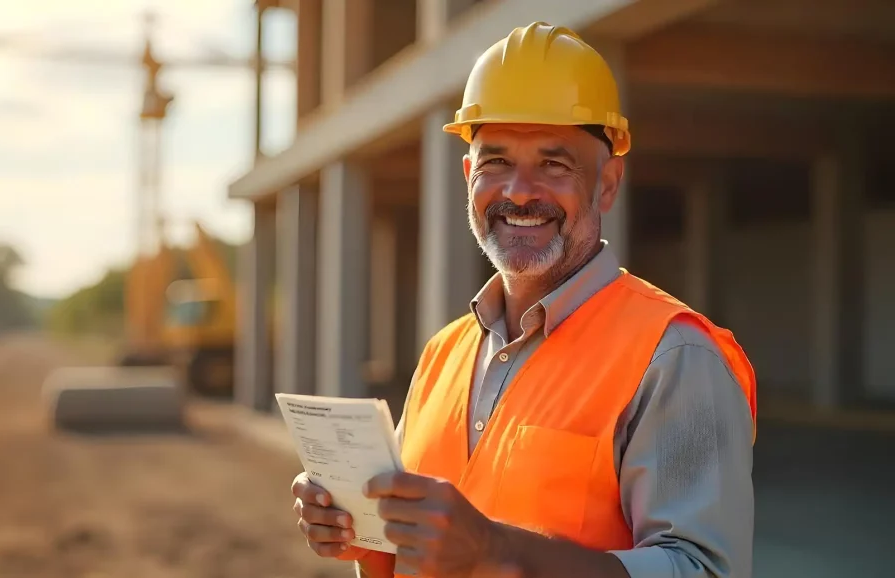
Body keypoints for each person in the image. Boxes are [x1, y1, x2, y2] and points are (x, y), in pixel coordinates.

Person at [291, 22, 756, 578]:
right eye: (497, 162)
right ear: (469, 176)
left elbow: (702, 571)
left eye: (554, 164)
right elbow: (415, 555)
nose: (518, 192)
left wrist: (497, 551)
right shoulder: (444, 354)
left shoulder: (673, 356)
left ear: (607, 182)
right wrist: (362, 533)